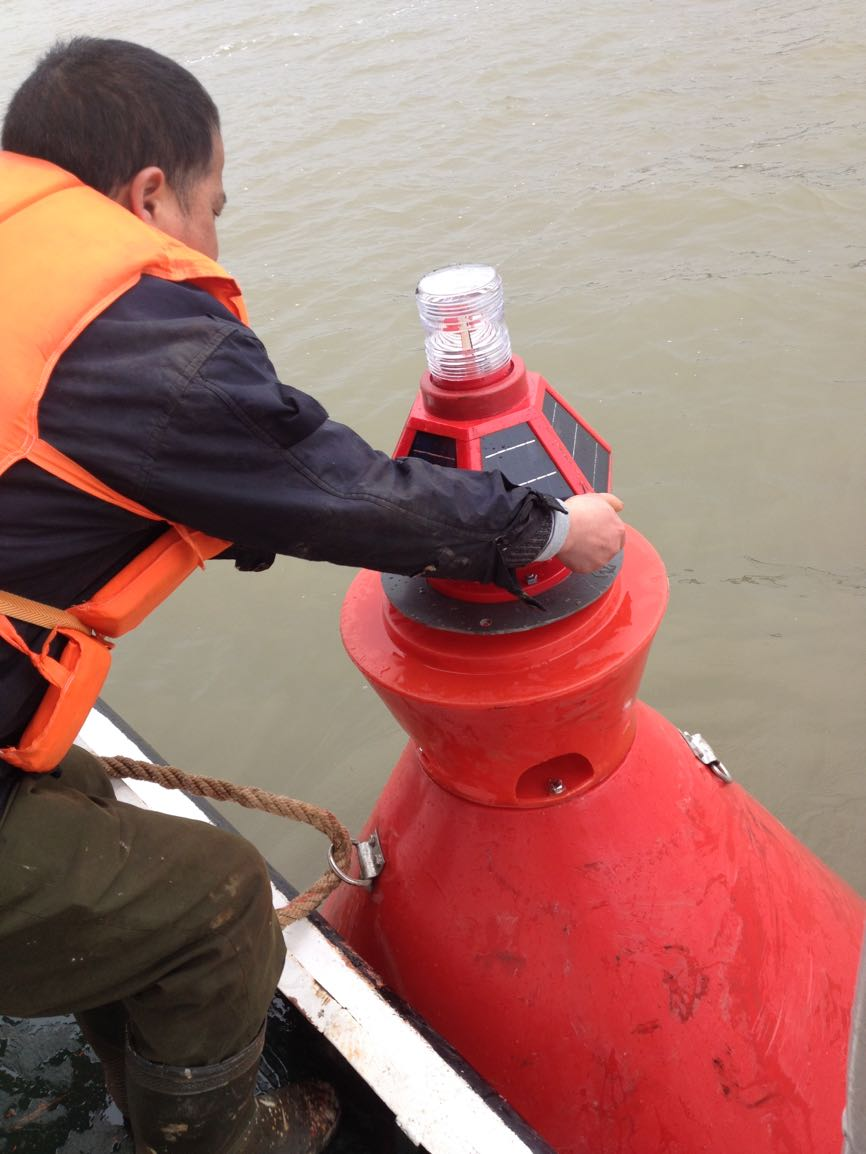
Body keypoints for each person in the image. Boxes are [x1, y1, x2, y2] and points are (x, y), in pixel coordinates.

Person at [0, 37, 626, 1154]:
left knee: (82, 786)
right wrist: (541, 526)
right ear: (150, 191)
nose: (212, 238)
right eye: (211, 206)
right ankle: (213, 1140)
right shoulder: (136, 340)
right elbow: (331, 489)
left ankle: (141, 1061)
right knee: (219, 900)